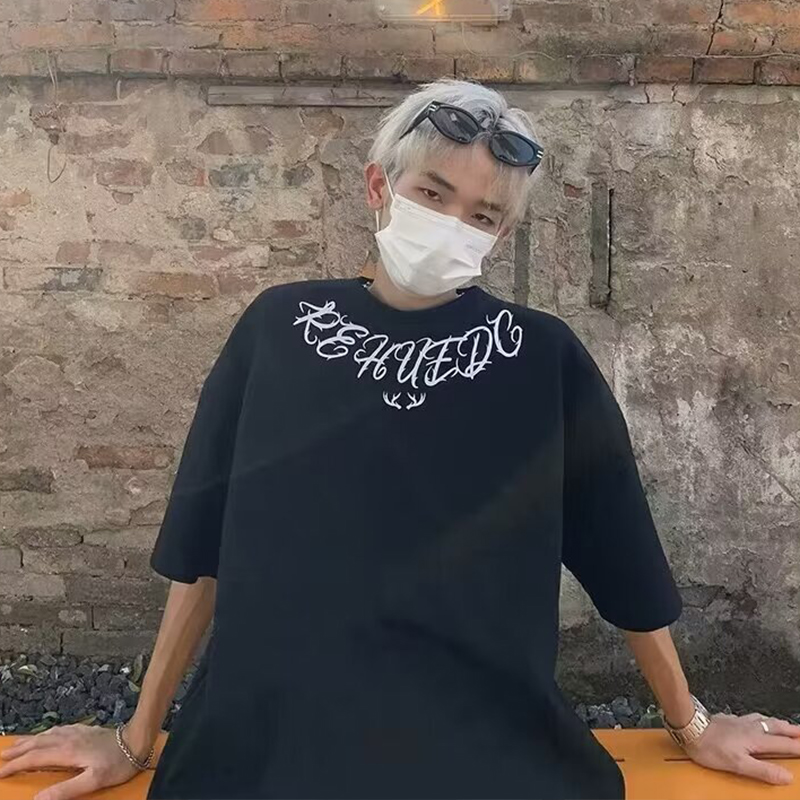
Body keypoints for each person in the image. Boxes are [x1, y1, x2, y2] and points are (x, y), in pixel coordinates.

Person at [1, 78, 798, 800]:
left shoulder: (541, 357)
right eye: (433, 193)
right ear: (380, 187)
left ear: (501, 234)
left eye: (482, 215)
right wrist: (135, 737)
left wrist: (692, 722)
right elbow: (201, 543)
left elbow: (620, 550)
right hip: (268, 744)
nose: (454, 224)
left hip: (482, 744)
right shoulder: (279, 329)